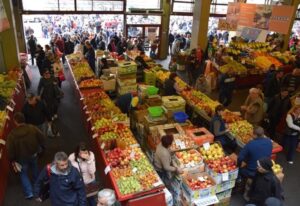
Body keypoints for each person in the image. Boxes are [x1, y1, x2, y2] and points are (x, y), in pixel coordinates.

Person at [6, 112, 46, 199]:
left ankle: (29, 193)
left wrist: (12, 159)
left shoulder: (12, 135)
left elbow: (10, 149)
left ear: (15, 122)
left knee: (23, 173)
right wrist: (40, 147)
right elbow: (42, 137)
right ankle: (37, 186)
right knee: (35, 168)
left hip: (21, 158)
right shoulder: (32, 128)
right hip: (34, 154)